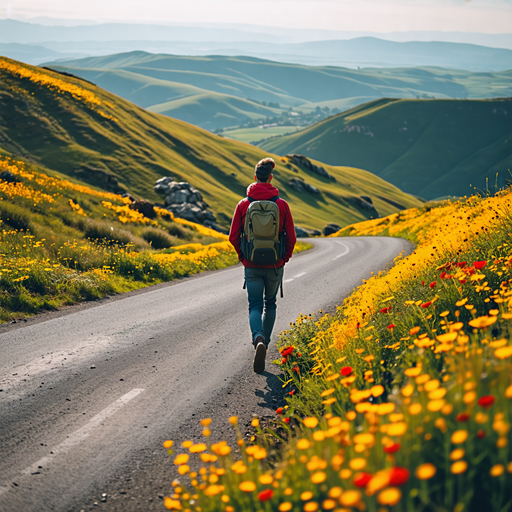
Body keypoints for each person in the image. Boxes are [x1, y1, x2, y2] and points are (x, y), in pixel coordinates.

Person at [229, 157, 296, 373]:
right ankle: (265, 343)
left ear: (255, 177)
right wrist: (284, 258)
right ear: (271, 178)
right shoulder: (282, 204)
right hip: (275, 265)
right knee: (271, 304)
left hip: (252, 263)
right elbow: (291, 238)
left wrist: (244, 256)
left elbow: (233, 236)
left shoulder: (243, 204)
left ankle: (257, 337)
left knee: (255, 305)